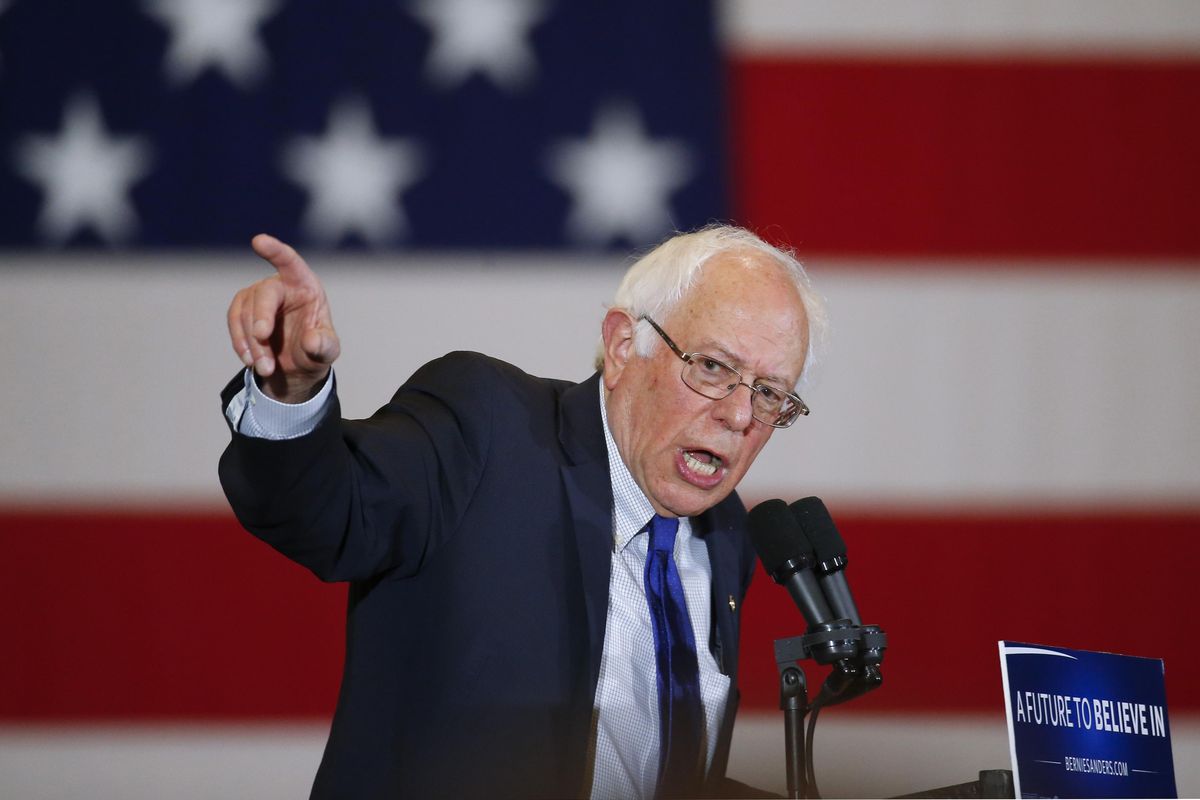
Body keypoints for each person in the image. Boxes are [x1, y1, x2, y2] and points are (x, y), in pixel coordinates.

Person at [219, 225, 826, 799]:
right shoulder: (490, 429)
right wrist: (290, 391)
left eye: (770, 392)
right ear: (622, 346)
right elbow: (326, 513)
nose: (741, 416)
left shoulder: (726, 537)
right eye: (714, 367)